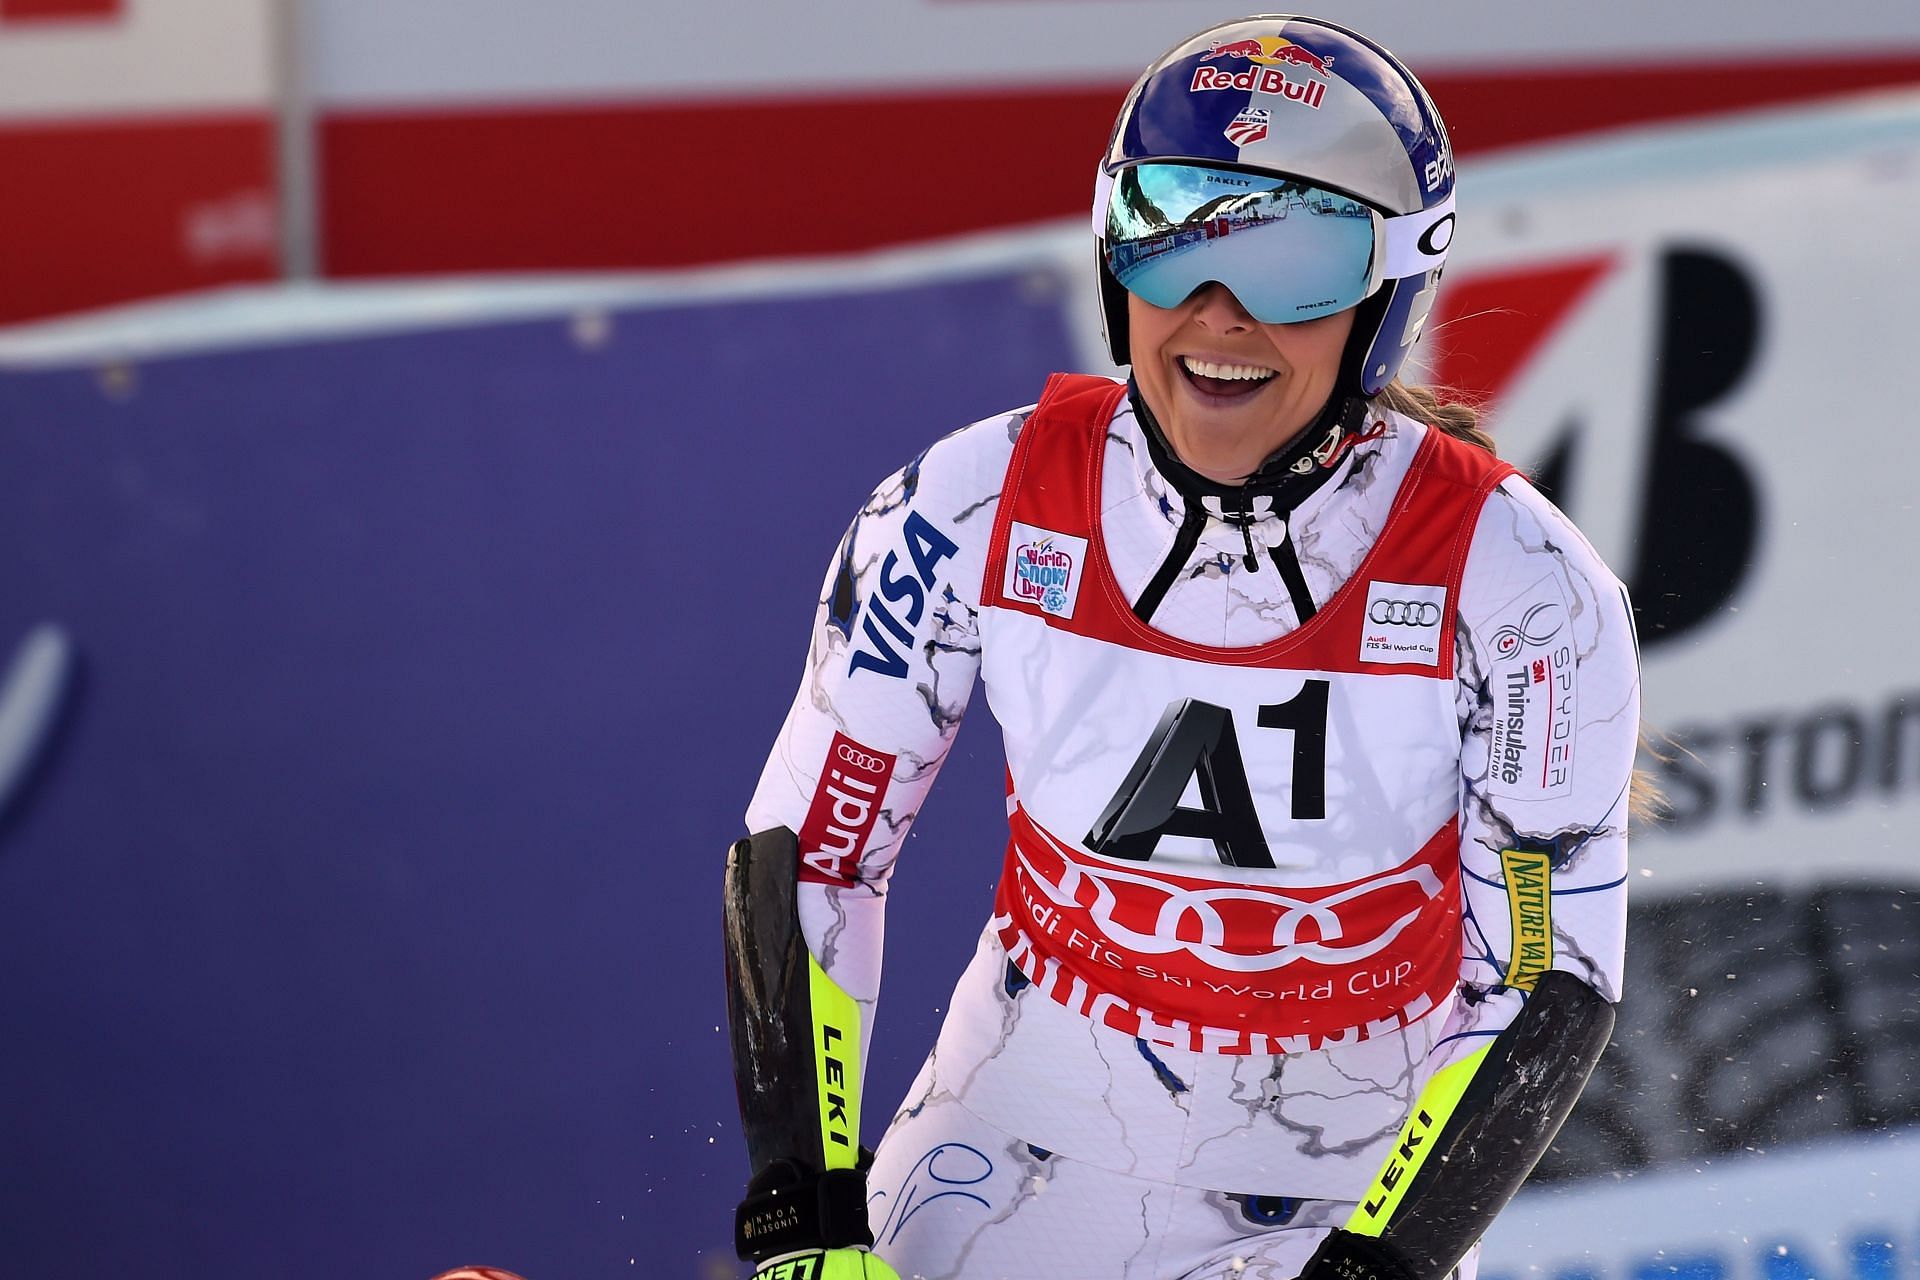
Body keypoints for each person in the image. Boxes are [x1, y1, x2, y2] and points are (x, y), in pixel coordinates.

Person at [722, 14, 1646, 1280]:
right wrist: (804, 1211)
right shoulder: (967, 505)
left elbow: (1542, 984)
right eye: (1175, 229)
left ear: (1390, 292)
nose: (1218, 311)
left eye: (1298, 258)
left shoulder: (1526, 591)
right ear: (1112, 247)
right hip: (1007, 1153)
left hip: (1341, 1197)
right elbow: (812, 853)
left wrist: (1377, 1267)